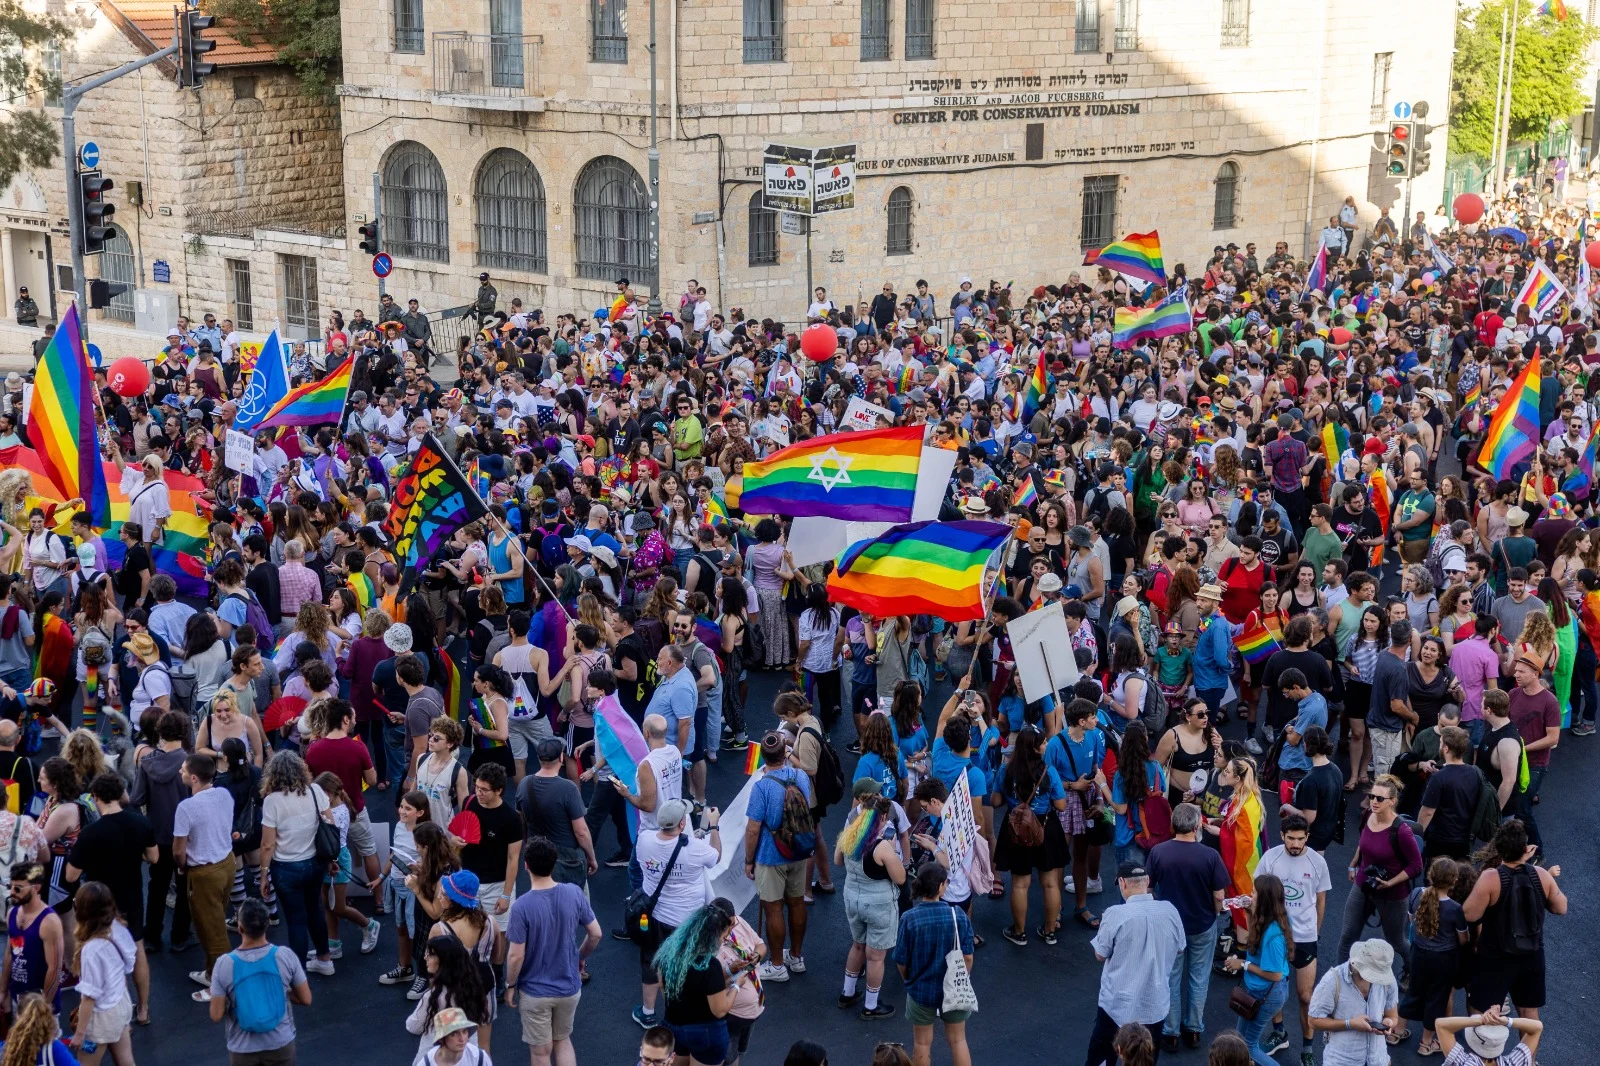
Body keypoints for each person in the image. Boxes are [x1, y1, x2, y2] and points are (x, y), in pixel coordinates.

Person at [66, 773, 157, 1028]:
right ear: (120, 794)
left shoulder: (91, 833)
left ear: (95, 798)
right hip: (132, 895)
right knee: (137, 949)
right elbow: (154, 858)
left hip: (99, 901)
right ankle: (144, 1009)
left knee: (100, 953)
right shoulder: (140, 823)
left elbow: (71, 874)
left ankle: (115, 1006)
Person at [503, 836, 602, 1066]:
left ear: (525, 865)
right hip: (568, 987)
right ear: (554, 862)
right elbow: (596, 934)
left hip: (535, 991)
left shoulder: (521, 907)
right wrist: (580, 957)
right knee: (563, 1040)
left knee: (540, 1053)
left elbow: (516, 955)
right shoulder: (574, 893)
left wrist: (509, 985)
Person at [1462, 819, 1565, 1022]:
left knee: (1480, 1011)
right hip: (1532, 954)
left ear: (1498, 848)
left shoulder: (1491, 878)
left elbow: (1469, 915)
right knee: (1529, 1014)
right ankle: (1529, 1055)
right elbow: (1561, 908)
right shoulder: (1542, 875)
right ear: (1525, 848)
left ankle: (1484, 1053)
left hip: (1495, 957)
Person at [632, 797, 721, 1030]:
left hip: (655, 916)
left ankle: (648, 1012)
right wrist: (714, 827)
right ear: (682, 824)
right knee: (691, 963)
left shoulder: (644, 840)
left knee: (651, 960)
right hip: (688, 919)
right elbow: (716, 857)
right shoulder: (696, 849)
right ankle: (687, 1010)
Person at [1085, 861, 1184, 1066]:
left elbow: (1099, 954)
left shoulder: (1115, 914)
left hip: (1117, 1006)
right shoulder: (1170, 910)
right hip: (1154, 1005)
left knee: (1101, 1057)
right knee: (1145, 1061)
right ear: (1147, 881)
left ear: (1122, 883)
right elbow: (1180, 947)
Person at [1147, 803, 1227, 1053]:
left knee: (1170, 977)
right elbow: (1219, 895)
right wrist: (1215, 914)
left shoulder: (1159, 852)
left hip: (1170, 928)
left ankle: (1169, 1033)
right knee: (1199, 977)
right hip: (1202, 925)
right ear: (1196, 827)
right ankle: (1192, 1029)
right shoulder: (1210, 856)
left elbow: (1149, 889)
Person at [1254, 815, 1330, 1066]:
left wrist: (1315, 932)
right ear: (1282, 836)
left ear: (1307, 837)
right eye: (1291, 838)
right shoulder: (1271, 858)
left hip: (1306, 938)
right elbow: (1257, 893)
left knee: (1305, 996)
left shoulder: (1318, 862)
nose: (1295, 844)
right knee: (1275, 989)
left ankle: (1307, 1049)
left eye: (1300, 839)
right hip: (1276, 935)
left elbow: (1320, 901)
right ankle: (1279, 1034)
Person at [742, 731, 812, 983]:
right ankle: (796, 956)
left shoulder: (761, 787)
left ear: (763, 756)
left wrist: (749, 860)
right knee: (797, 903)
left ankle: (777, 964)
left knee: (773, 908)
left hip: (772, 855)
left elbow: (753, 829)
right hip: (800, 850)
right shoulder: (800, 776)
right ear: (785, 753)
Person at [258, 751, 335, 976]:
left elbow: (267, 845)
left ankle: (297, 971)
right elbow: (330, 824)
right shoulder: (315, 791)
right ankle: (324, 958)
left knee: (295, 919)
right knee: (315, 911)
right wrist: (332, 859)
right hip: (315, 863)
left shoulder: (272, 801)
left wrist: (264, 874)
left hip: (286, 868)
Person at [834, 783, 906, 1021]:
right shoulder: (882, 846)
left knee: (857, 945)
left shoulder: (848, 835)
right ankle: (871, 1005)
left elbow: (837, 861)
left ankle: (847, 992)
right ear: (883, 816)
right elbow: (901, 877)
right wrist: (894, 851)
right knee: (876, 957)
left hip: (852, 897)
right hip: (878, 905)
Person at [1335, 774, 1420, 970]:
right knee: (1347, 936)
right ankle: (1339, 977)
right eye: (1372, 796)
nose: (1373, 802)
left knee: (1397, 941)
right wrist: (1353, 864)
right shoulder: (1368, 815)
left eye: (1379, 799)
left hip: (1392, 893)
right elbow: (1363, 842)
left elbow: (1416, 866)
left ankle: (1411, 969)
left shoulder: (1402, 831)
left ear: (1392, 801)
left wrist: (1390, 883)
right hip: (1364, 884)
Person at [894, 863, 974, 1066]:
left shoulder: (909, 918)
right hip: (954, 991)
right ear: (940, 887)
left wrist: (909, 981)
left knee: (922, 1043)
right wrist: (961, 978)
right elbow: (968, 957)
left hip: (921, 990)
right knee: (958, 1040)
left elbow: (901, 960)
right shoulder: (957, 915)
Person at [174, 752, 236, 1001]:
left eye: (184, 769)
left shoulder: (186, 807)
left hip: (203, 873)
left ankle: (220, 987)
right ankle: (212, 973)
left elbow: (178, 850)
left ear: (194, 778)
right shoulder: (224, 794)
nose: (180, 771)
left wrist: (181, 866)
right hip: (227, 864)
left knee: (213, 930)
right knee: (214, 921)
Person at [652, 903, 743, 1066]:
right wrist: (736, 986)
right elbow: (720, 1010)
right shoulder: (710, 966)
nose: (724, 941)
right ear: (712, 937)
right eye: (723, 937)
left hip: (674, 1028)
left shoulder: (668, 955)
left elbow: (665, 991)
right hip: (706, 1034)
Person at [1399, 857, 1469, 1057]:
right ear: (1453, 880)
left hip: (1418, 954)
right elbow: (1463, 939)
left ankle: (1396, 1031)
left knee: (1413, 992)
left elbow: (1412, 921)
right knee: (1436, 998)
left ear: (1430, 874)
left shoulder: (1416, 894)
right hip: (1443, 960)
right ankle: (1426, 1042)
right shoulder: (1455, 909)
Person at [65, 881, 136, 1065]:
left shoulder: (92, 950)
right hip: (121, 1003)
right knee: (126, 1060)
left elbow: (89, 997)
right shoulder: (119, 928)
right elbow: (126, 967)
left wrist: (80, 1035)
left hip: (100, 1018)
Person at [1223, 874, 1291, 1066]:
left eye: (1254, 892)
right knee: (1239, 1040)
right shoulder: (1270, 918)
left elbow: (1276, 974)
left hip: (1267, 995)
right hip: (1258, 991)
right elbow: (1252, 941)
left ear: (1265, 898)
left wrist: (1243, 964)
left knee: (1249, 1046)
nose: (1250, 895)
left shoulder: (1273, 935)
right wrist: (1249, 914)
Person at [515, 738, 595, 891]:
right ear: (561, 758)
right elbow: (581, 832)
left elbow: (520, 820)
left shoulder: (524, 784)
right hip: (567, 857)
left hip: (536, 854)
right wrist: (591, 858)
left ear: (539, 758)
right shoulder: (568, 789)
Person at [1307, 939, 1402, 1065]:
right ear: (1357, 963)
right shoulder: (1332, 981)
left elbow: (1392, 1015)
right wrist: (1350, 1024)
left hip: (1378, 1060)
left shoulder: (1387, 982)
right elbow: (1313, 1021)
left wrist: (1389, 1023)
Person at [0, 863, 63, 1018]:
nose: (12, 892)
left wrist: (44, 1006)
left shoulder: (49, 921)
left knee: (44, 1043)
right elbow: (9, 954)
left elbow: (54, 969)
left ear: (36, 888)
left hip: (42, 1005)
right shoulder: (12, 914)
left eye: (18, 888)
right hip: (18, 999)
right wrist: (2, 990)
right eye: (11, 886)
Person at [1416, 726, 1481, 861]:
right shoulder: (1475, 772)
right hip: (1465, 838)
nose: (1440, 746)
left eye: (1440, 743)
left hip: (1441, 840)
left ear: (1446, 748)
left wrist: (1417, 834)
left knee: (1437, 877)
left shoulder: (1439, 778)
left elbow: (1427, 812)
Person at [1435, 1005, 1542, 1065]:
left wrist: (1480, 1021)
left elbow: (1441, 1025)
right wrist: (1505, 1021)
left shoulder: (1463, 1063)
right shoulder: (1512, 1062)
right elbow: (1537, 1028)